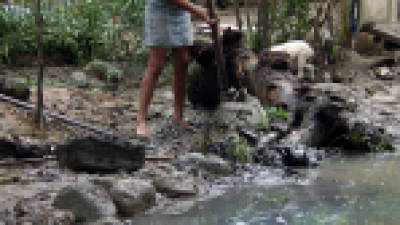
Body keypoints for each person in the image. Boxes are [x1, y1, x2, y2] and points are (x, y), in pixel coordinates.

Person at [136, 0, 219, 137]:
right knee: (156, 65)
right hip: (159, 9)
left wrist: (205, 8)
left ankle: (178, 116)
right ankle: (141, 120)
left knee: (182, 62)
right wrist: (199, 11)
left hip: (181, 11)